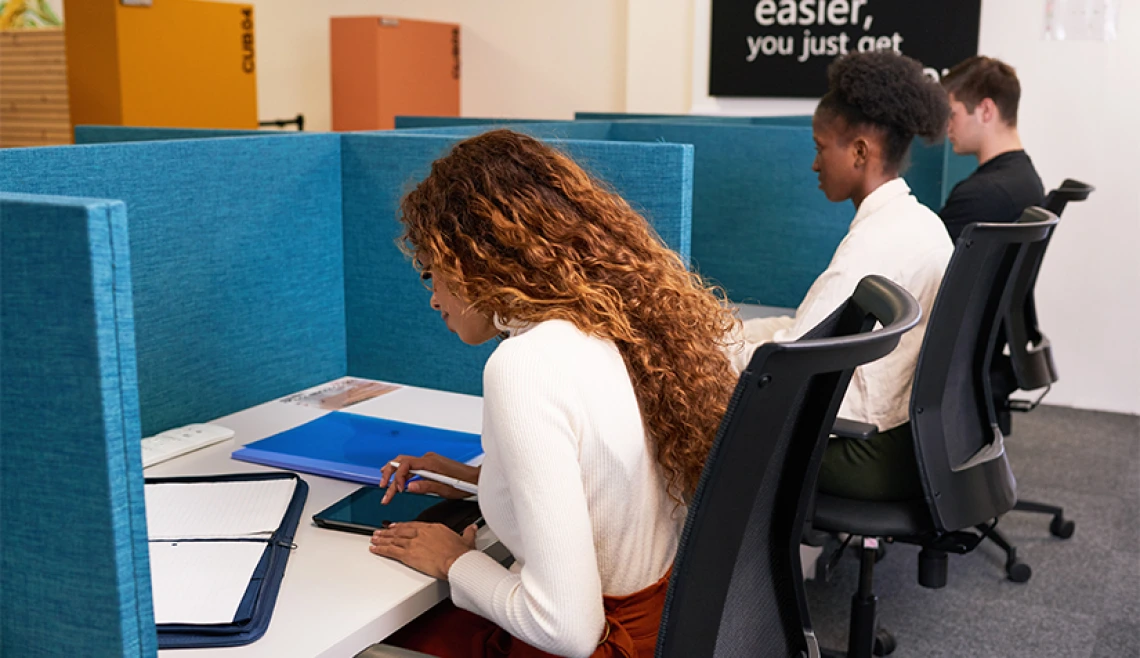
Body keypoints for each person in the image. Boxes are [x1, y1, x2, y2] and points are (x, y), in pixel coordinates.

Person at [363, 129, 738, 658]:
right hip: (660, 628)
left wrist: (453, 560)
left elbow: (566, 628)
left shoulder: (524, 365)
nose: (433, 298)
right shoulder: (608, 324)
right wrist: (485, 483)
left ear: (474, 258)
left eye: (432, 271)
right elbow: (608, 489)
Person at [728, 51, 953, 502]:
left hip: (867, 450)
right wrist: (734, 330)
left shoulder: (871, 247)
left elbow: (785, 363)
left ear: (859, 152)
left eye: (819, 147)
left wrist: (704, 350)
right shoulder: (918, 221)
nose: (814, 164)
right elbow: (811, 327)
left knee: (692, 406)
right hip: (912, 437)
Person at [940, 55, 1045, 241]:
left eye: (952, 115)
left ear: (986, 111)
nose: (947, 126)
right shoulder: (1027, 180)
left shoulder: (979, 196)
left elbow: (925, 266)